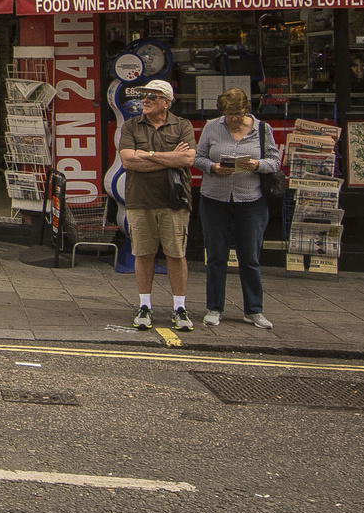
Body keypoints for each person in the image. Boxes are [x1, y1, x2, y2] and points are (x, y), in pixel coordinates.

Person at [194, 88, 279, 329]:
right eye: (230, 114)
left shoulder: (262, 129)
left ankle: (254, 310)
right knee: (216, 256)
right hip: (215, 200)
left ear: (247, 110)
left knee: (249, 258)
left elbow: (274, 161)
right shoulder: (212, 127)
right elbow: (198, 157)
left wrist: (257, 164)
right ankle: (214, 308)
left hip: (250, 201)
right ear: (222, 112)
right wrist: (212, 167)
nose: (235, 119)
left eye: (239, 113)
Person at [118, 78, 197, 332]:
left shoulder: (182, 126)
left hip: (174, 200)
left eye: (152, 97)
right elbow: (129, 161)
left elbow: (187, 158)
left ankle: (179, 307)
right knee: (143, 253)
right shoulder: (131, 126)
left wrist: (148, 155)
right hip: (139, 198)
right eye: (144, 96)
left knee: (176, 253)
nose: (146, 100)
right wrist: (169, 158)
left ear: (166, 101)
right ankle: (144, 305)